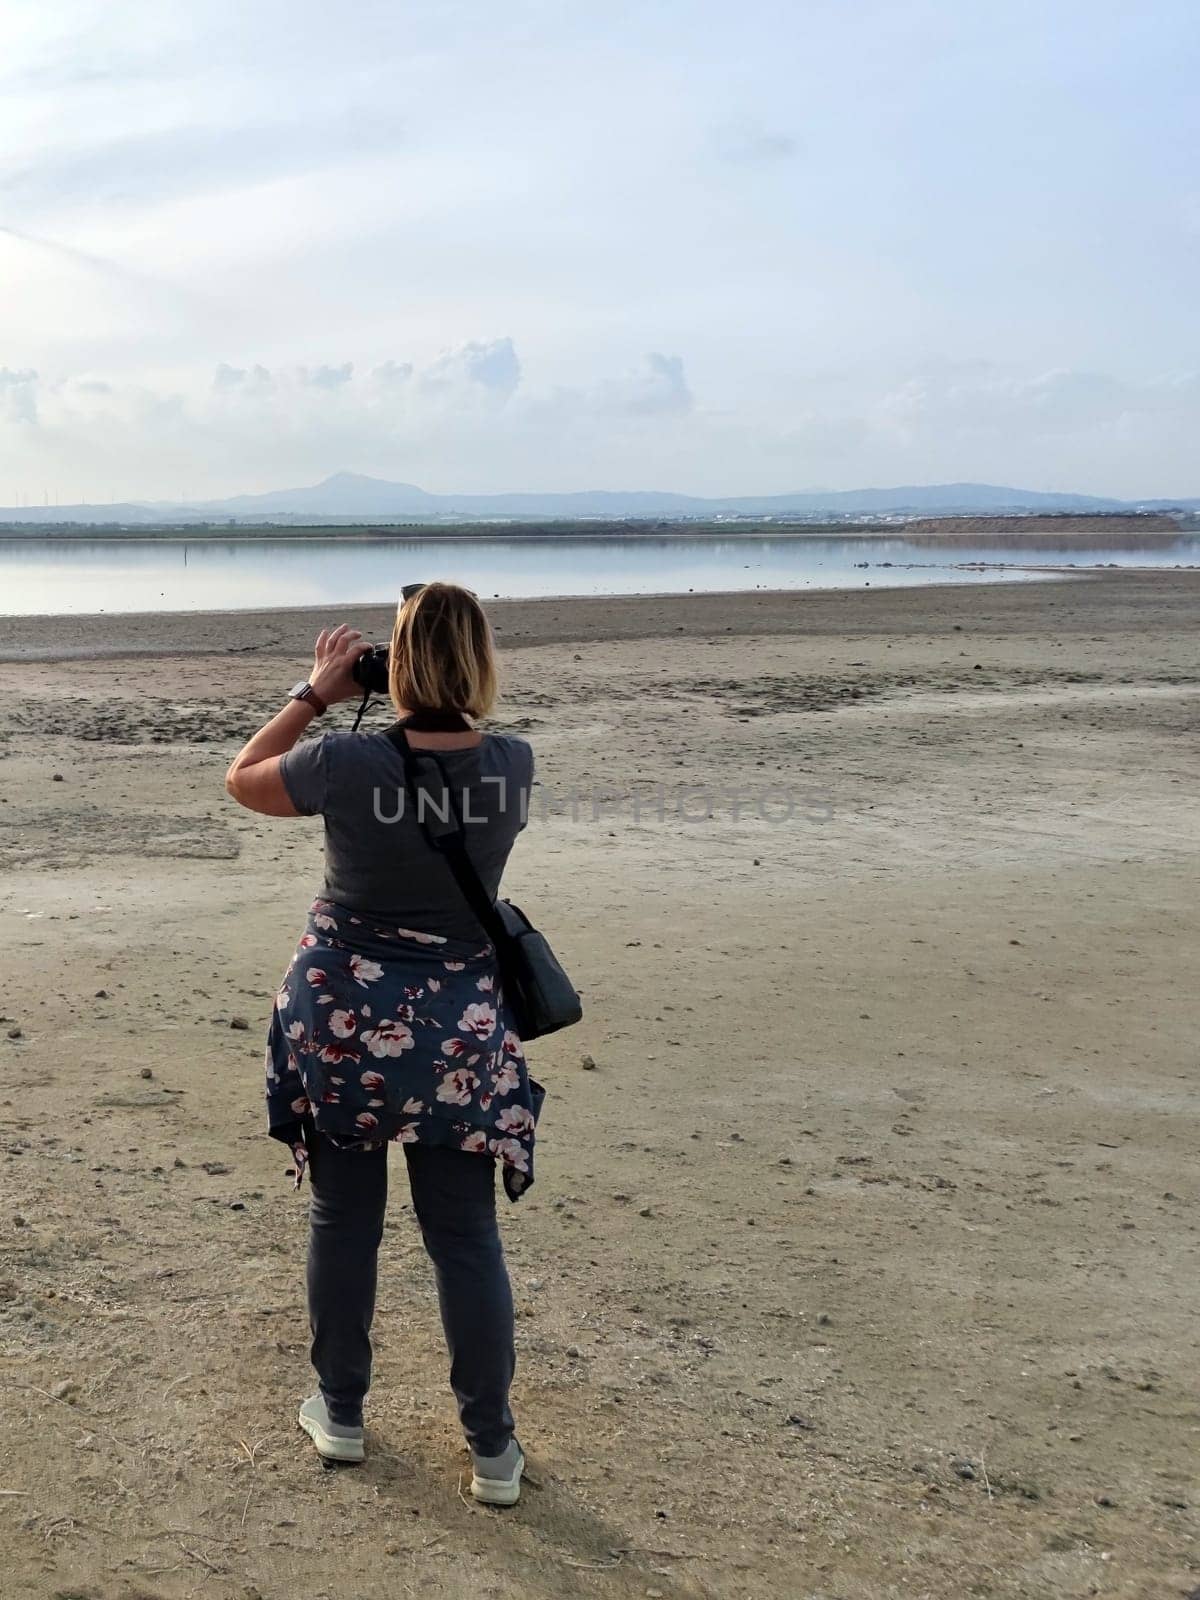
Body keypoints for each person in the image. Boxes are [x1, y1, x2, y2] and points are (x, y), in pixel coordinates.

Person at [224, 582, 537, 1507]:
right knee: (465, 1235)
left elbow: (242, 778)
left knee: (344, 1218)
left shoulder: (343, 762)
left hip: (344, 1020)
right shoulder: (513, 763)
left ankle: (342, 1412)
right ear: (479, 663)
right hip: (459, 1027)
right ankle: (492, 1451)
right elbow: (455, 749)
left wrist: (316, 692)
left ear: (390, 666)